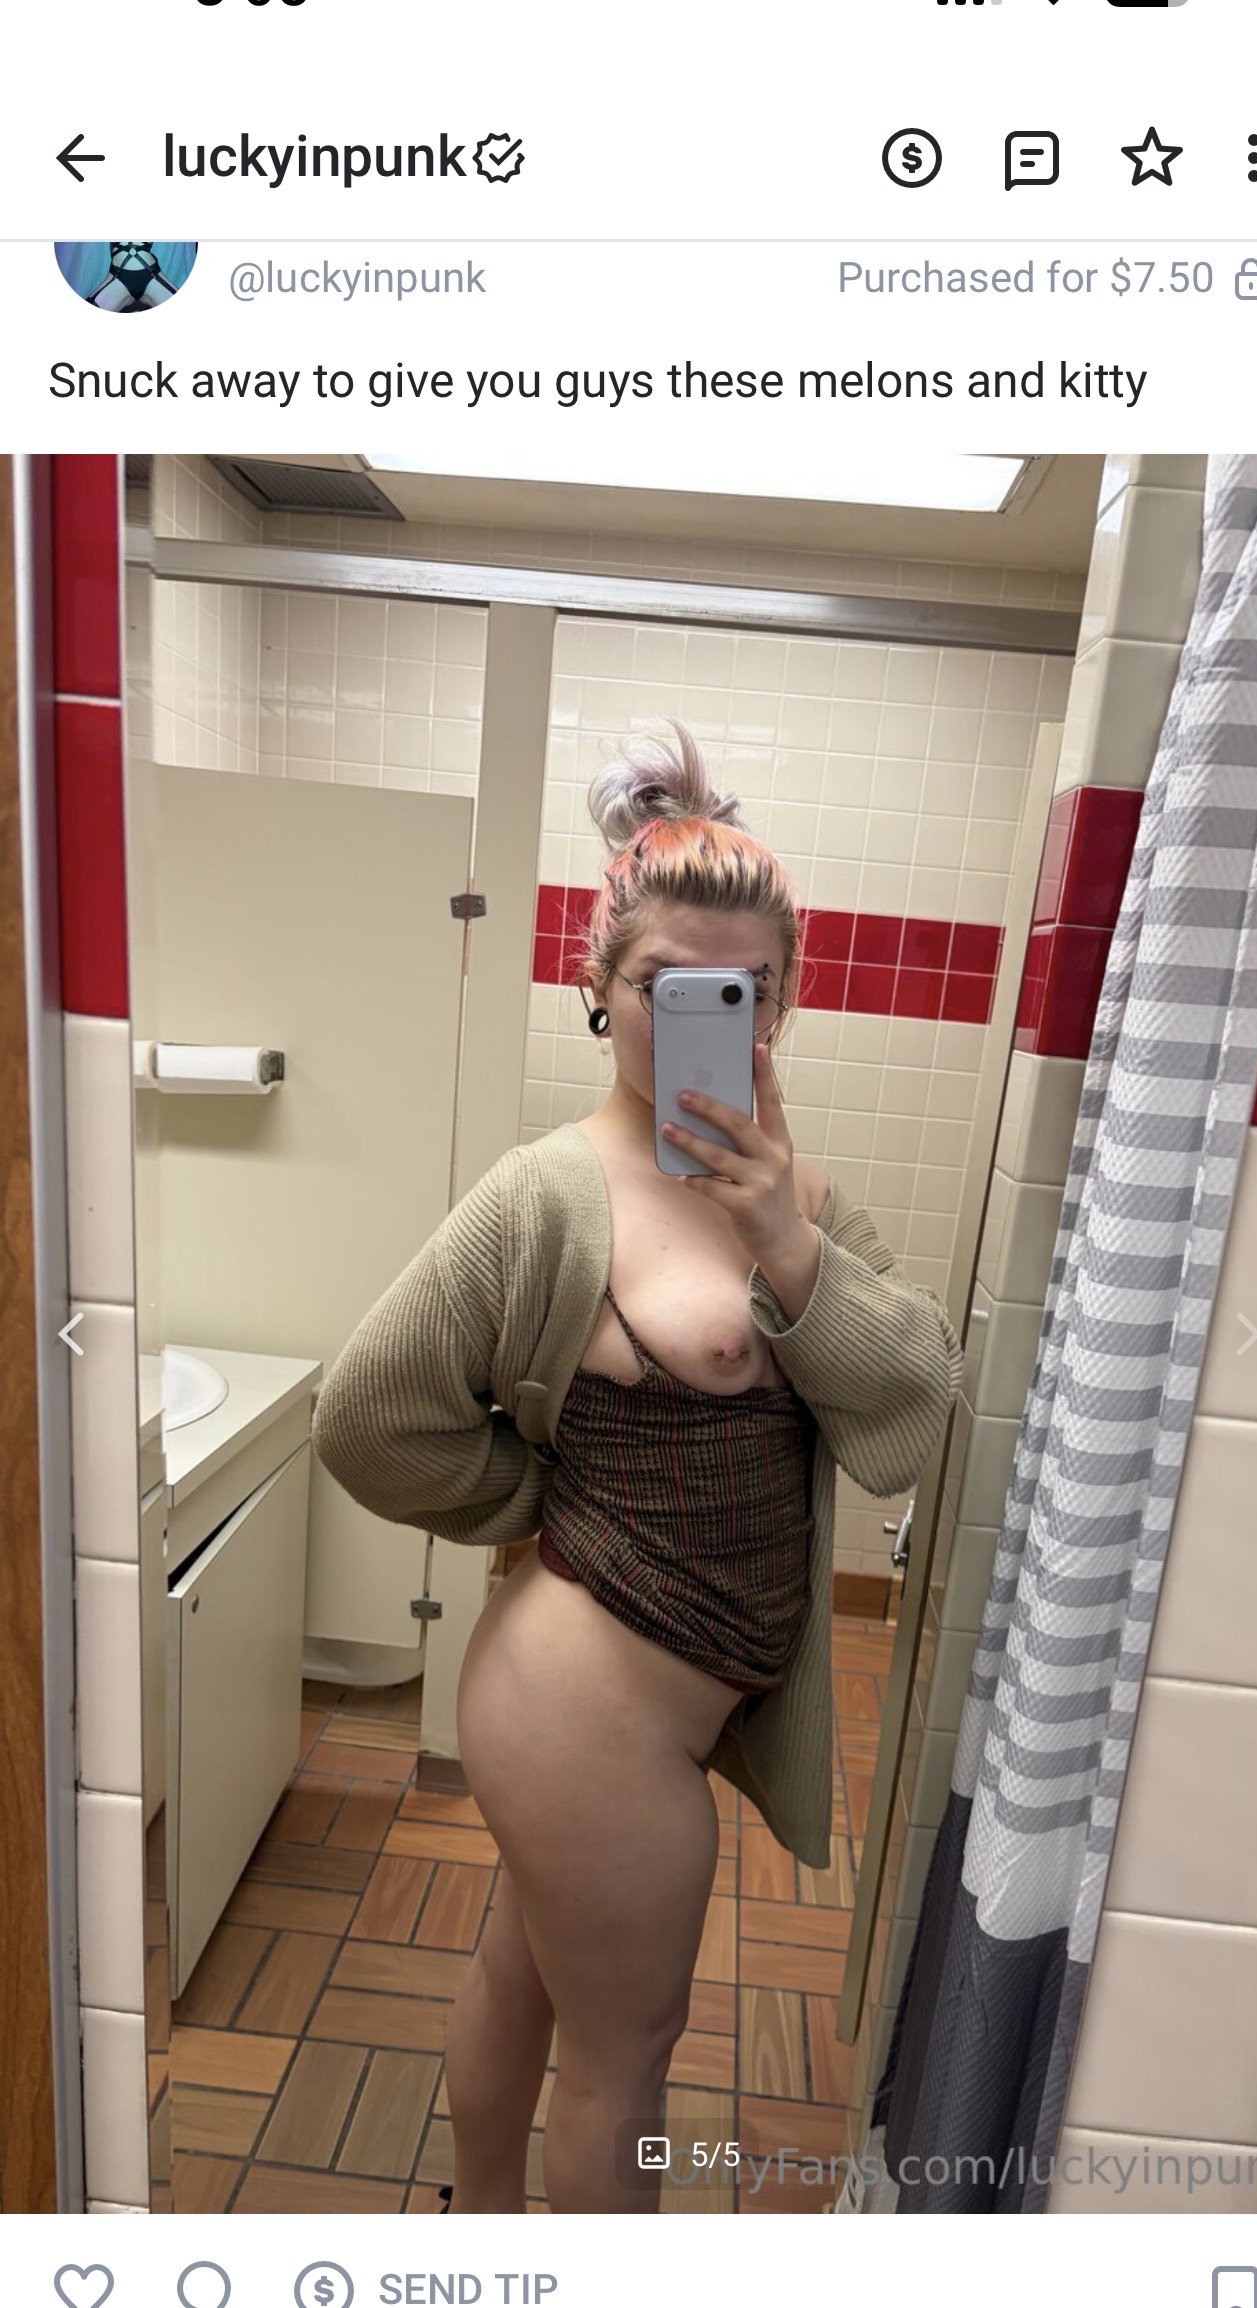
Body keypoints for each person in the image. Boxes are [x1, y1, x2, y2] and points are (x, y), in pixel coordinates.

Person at [312, 717, 962, 2213]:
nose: (702, 1019)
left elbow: (913, 1415)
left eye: (741, 993)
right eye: (665, 984)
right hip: (583, 1704)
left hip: (673, 1699)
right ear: (599, 990)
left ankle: (486, 2233)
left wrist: (784, 1244)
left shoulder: (807, 1202)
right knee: (630, 2054)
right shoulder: (543, 1194)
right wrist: (546, 1506)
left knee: (528, 1974)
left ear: (780, 1007)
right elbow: (367, 1415)